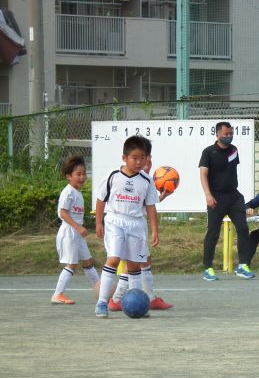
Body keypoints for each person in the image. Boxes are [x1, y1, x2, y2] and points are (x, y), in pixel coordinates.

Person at [94, 135, 159, 318]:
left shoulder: (146, 181)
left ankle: (137, 304)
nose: (139, 162)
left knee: (134, 265)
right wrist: (98, 222)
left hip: (136, 224)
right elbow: (101, 199)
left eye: (142, 158)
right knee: (113, 259)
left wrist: (154, 229)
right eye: (135, 158)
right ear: (124, 158)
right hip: (115, 220)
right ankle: (102, 302)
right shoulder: (113, 175)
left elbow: (151, 206)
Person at [108, 137, 173, 311]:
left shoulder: (145, 179)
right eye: (139, 157)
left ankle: (120, 299)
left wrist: (161, 197)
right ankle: (124, 298)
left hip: (138, 225)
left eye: (147, 156)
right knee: (136, 262)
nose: (145, 160)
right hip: (125, 225)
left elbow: (146, 205)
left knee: (140, 261)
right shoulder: (124, 176)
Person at [199, 121, 251, 280]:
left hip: (234, 196)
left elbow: (231, 170)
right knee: (213, 233)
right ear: (217, 134)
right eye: (226, 134)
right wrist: (208, 195)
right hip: (216, 197)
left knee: (243, 228)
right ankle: (208, 268)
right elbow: (203, 174)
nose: (229, 136)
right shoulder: (209, 152)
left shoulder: (234, 150)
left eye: (231, 133)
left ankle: (242, 265)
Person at [50, 155, 100, 304]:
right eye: (78, 174)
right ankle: (57, 295)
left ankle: (101, 289)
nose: (82, 177)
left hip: (77, 233)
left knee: (88, 261)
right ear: (68, 176)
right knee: (71, 264)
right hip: (70, 232)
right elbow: (62, 212)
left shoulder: (77, 193)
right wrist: (78, 227)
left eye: (84, 173)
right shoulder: (68, 192)